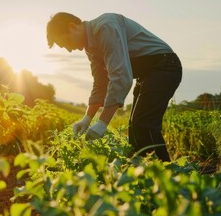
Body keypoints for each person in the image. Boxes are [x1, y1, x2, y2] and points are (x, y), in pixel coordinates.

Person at [46, 12, 182, 161]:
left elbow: (120, 77)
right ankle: (143, 174)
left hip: (165, 66)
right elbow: (100, 84)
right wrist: (87, 118)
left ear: (72, 27)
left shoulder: (105, 28)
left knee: (143, 124)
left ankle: (167, 175)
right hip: (147, 74)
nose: (69, 50)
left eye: (65, 43)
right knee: (134, 128)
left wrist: (102, 123)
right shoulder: (91, 48)